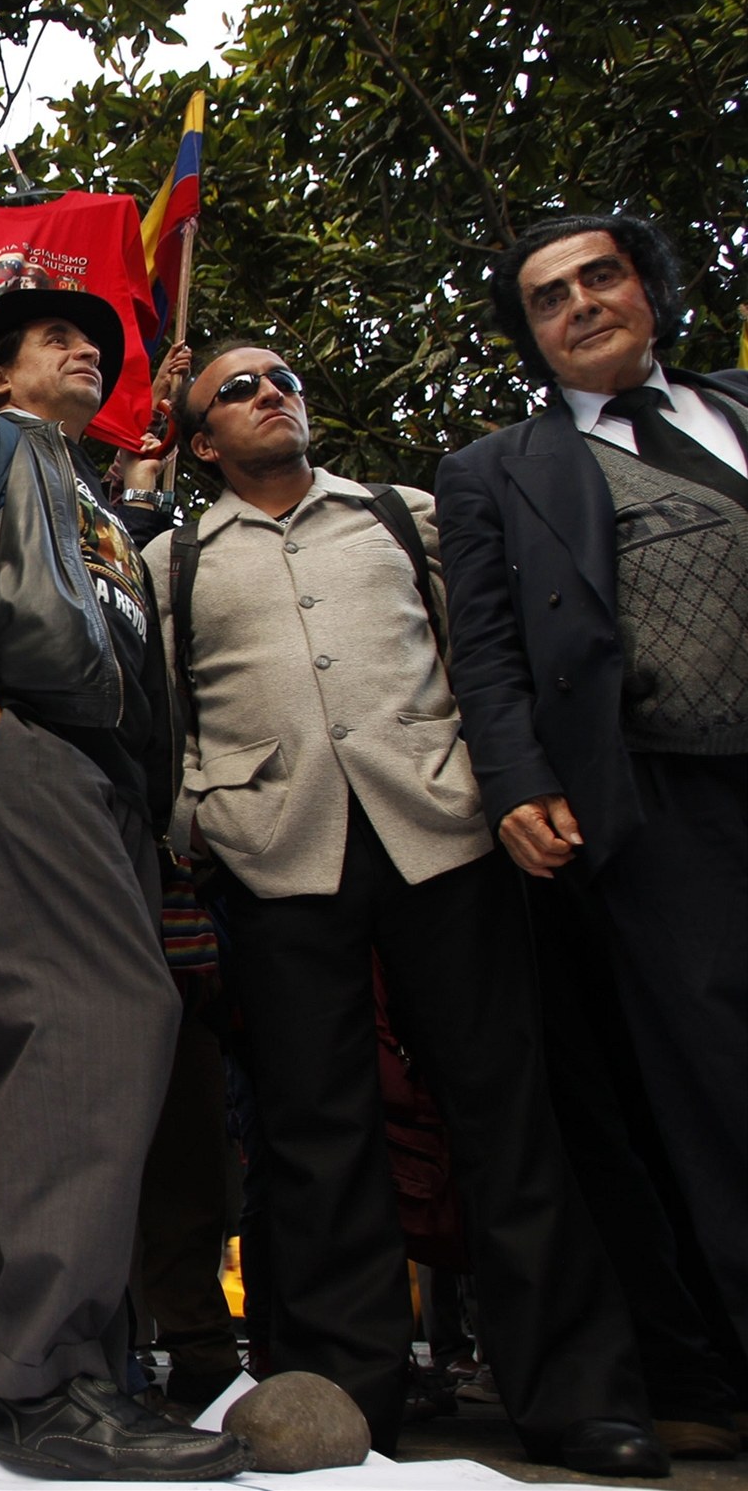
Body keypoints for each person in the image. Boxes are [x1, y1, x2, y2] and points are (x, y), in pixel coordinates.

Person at [147, 342, 662, 1474]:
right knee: (315, 1131)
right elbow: (165, 710)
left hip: (443, 832)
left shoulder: (403, 514)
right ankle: (348, 1399)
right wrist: (198, 817)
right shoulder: (173, 560)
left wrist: (496, 777)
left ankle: (578, 1398)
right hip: (277, 854)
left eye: (283, 378)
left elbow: (483, 655)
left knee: (506, 1112)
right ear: (201, 441)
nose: (271, 393)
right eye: (237, 389)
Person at [0, 281, 247, 1481]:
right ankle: (48, 1384)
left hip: (101, 780)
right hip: (11, 744)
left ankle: (79, 1373)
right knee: (92, 1022)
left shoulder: (89, 493)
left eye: (95, 342)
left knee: (108, 1036)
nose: (86, 350)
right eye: (57, 338)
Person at [435, 213, 748, 1387]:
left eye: (600, 276)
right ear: (530, 335)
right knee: (718, 1082)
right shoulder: (495, 470)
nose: (579, 305)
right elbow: (486, 651)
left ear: (648, 289)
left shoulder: (734, 408)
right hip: (656, 801)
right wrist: (517, 779)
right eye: (548, 297)